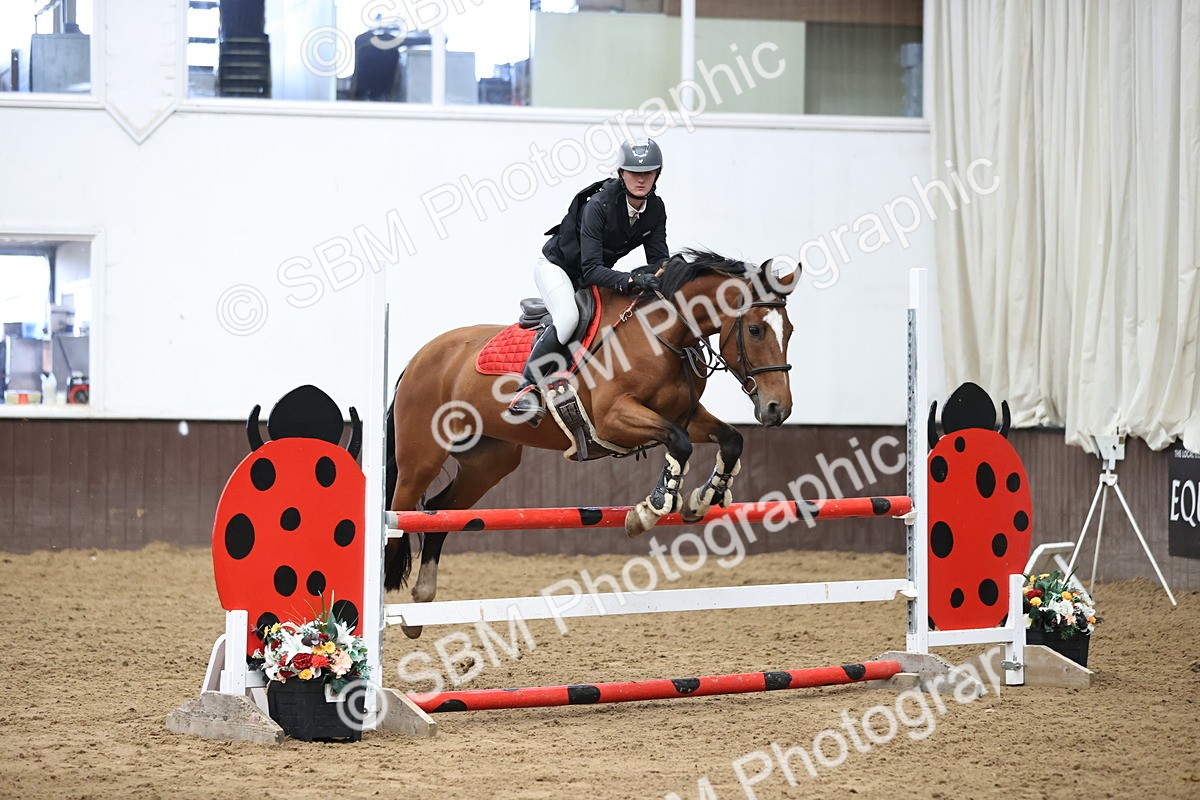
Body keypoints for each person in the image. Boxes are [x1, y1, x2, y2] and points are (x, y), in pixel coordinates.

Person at [506, 138, 670, 424]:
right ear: (621, 173)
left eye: (648, 172)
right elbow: (592, 268)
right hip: (558, 268)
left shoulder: (655, 209)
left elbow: (659, 261)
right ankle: (526, 390)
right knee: (569, 317)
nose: (641, 179)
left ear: (657, 174)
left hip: (591, 275)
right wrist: (632, 279)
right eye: (634, 172)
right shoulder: (600, 205)